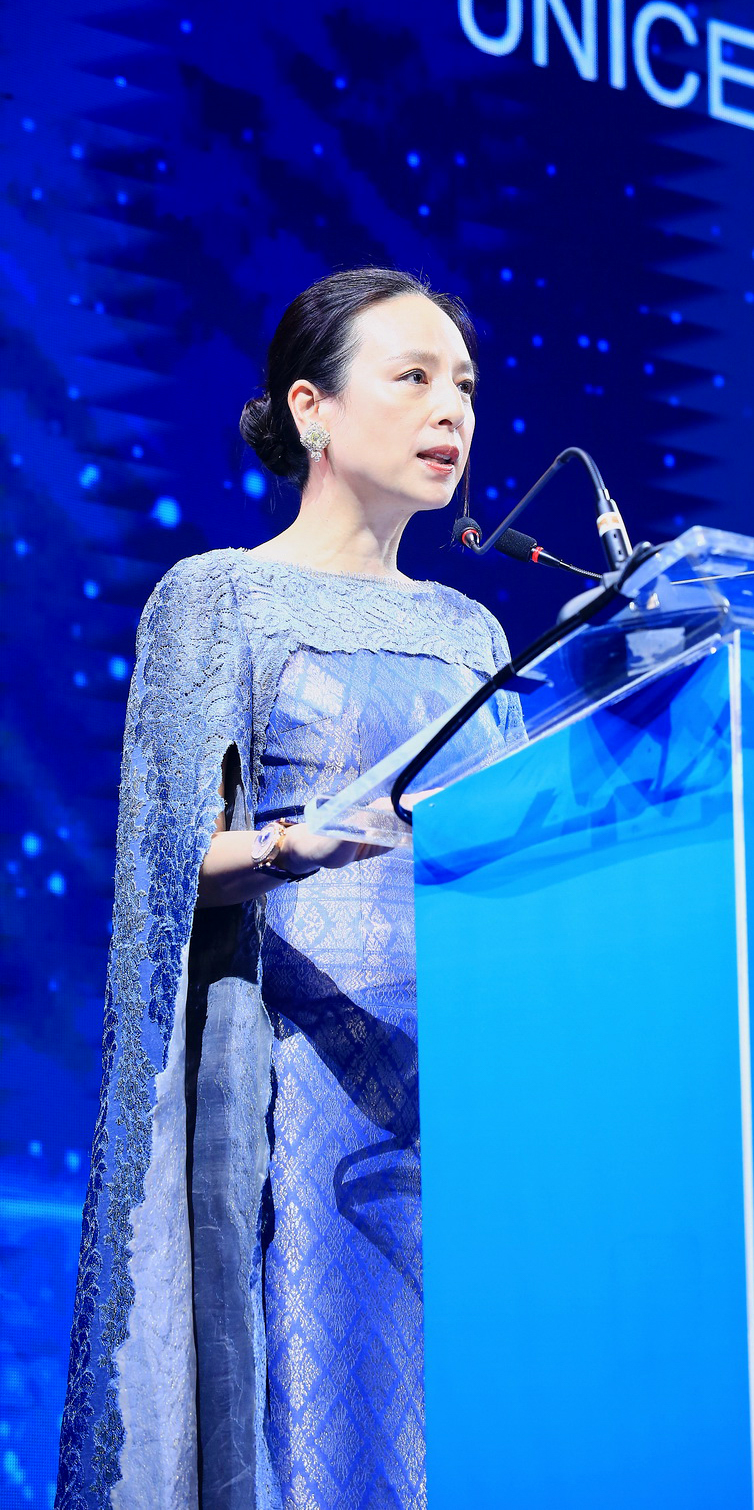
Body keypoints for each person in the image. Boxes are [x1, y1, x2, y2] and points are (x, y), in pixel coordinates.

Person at [56, 269, 522, 1510]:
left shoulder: (476, 635)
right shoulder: (217, 597)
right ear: (311, 409)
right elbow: (156, 869)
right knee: (312, 1404)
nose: (452, 412)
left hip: (459, 1081)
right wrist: (285, 850)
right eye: (414, 378)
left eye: (465, 385)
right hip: (295, 1079)